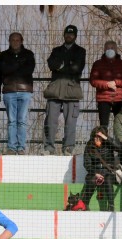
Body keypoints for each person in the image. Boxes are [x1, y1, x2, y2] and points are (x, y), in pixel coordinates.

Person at [43, 25, 86, 156]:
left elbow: (77, 68)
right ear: (64, 35)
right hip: (55, 89)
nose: (69, 36)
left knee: (71, 122)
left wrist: (61, 66)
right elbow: (51, 64)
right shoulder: (56, 50)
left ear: (75, 36)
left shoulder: (80, 51)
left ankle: (68, 147)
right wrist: (69, 64)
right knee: (50, 120)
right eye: (67, 33)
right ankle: (48, 147)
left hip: (72, 90)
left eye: (72, 34)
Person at [0, 32, 35, 155]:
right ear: (9, 41)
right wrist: (18, 65)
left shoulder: (29, 54)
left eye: (17, 40)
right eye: (12, 40)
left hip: (25, 91)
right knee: (11, 121)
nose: (15, 42)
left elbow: (29, 70)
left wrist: (12, 67)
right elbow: (3, 70)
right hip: (9, 91)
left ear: (21, 41)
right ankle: (11, 147)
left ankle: (21, 147)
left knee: (22, 120)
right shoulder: (3, 55)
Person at [89, 40, 122, 129]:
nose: (110, 49)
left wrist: (116, 82)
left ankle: (120, 142)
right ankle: (105, 142)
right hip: (103, 98)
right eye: (108, 48)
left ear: (116, 50)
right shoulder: (98, 64)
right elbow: (93, 80)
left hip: (119, 98)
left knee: (120, 124)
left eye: (112, 48)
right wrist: (106, 84)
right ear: (104, 49)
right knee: (104, 125)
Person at [80, 127, 116, 211]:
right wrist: (95, 173)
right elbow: (87, 163)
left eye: (99, 137)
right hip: (94, 171)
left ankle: (111, 206)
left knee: (108, 181)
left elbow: (118, 147)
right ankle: (85, 204)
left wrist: (106, 138)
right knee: (91, 180)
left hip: (108, 171)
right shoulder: (89, 146)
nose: (97, 138)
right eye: (95, 136)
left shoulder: (108, 144)